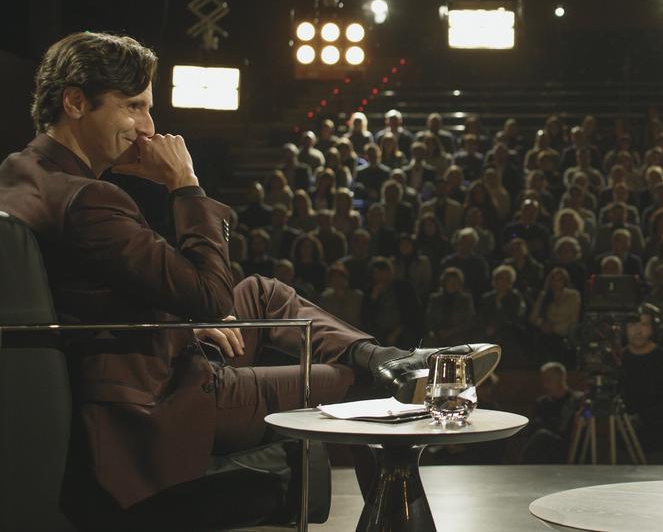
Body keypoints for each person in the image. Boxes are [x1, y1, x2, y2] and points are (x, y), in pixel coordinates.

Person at [0, 33, 500, 515]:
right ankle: (395, 486)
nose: (148, 127)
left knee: (260, 293)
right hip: (162, 400)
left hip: (152, 356)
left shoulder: (24, 172)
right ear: (74, 102)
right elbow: (212, 295)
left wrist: (187, 325)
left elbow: (93, 297)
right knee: (355, 386)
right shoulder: (90, 200)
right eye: (133, 106)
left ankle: (390, 358)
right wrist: (185, 184)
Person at [618, 304, 663, 463]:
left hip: (656, 445)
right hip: (621, 443)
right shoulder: (616, 360)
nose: (638, 330)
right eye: (633, 324)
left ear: (653, 328)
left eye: (644, 324)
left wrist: (640, 420)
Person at [518, 362, 585, 463]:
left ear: (561, 378)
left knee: (542, 435)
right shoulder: (542, 402)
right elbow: (533, 427)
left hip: (567, 447)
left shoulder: (576, 400)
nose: (545, 384)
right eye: (544, 380)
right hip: (544, 448)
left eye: (549, 380)